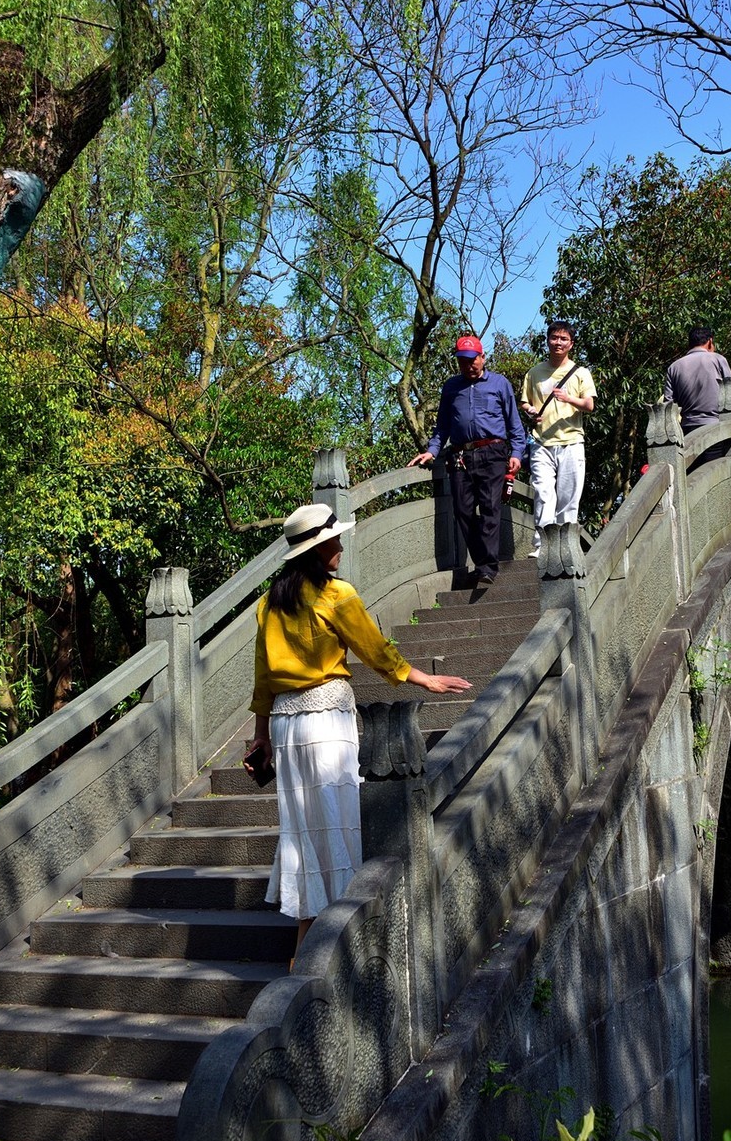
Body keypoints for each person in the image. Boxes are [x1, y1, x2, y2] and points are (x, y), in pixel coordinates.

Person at [245, 502, 470, 964]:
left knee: (305, 833)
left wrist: (261, 735)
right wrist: (424, 679)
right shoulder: (335, 595)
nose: (341, 545)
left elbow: (263, 679)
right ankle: (341, 946)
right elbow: (374, 648)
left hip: (287, 726)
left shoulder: (269, 604)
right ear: (316, 548)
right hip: (326, 722)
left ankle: (303, 950)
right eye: (334, 539)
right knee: (340, 825)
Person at [409, 335, 527, 585]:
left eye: (472, 360)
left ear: (482, 358)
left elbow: (514, 423)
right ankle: (483, 562)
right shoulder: (451, 387)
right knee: (462, 510)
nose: (468, 365)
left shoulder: (499, 383)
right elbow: (443, 426)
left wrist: (517, 453)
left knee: (489, 508)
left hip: (493, 452)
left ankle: (486, 567)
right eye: (463, 361)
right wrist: (432, 450)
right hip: (460, 455)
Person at [519, 319, 597, 558]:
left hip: (571, 442)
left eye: (564, 339)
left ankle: (565, 547)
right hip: (542, 442)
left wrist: (568, 398)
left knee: (568, 498)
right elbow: (524, 401)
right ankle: (543, 546)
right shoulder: (535, 373)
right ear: (547, 340)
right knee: (543, 493)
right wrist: (529, 410)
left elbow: (589, 405)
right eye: (554, 337)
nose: (558, 342)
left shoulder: (581, 373)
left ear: (571, 344)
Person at [663, 324, 731, 458]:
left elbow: (668, 404)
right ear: (710, 342)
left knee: (693, 475)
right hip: (716, 428)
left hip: (687, 432)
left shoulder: (674, 367)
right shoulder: (718, 360)